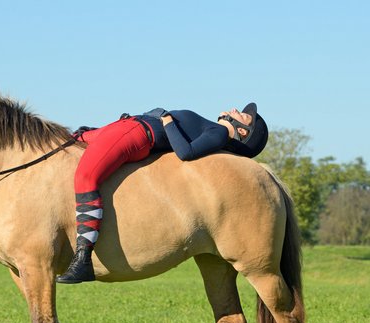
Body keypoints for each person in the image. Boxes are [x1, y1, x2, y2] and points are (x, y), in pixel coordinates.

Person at [55, 103, 269, 284]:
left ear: (242, 131)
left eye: (243, 115)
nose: (234, 109)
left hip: (137, 132)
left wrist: (167, 122)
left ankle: (83, 258)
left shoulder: (220, 133)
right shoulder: (214, 130)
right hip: (128, 126)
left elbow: (185, 152)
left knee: (85, 176)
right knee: (72, 139)